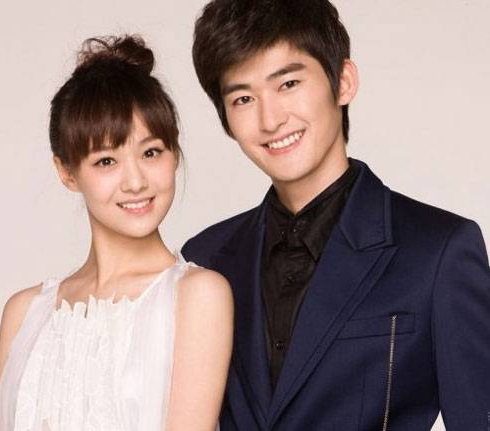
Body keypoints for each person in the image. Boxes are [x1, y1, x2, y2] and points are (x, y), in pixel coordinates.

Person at [182, 1, 490, 430]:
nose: (270, 119)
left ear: (343, 82)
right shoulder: (204, 259)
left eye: (288, 83)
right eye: (244, 98)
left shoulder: (439, 251)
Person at [0, 35, 233, 431]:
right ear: (67, 172)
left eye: (151, 152)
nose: (135, 181)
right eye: (106, 161)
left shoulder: (197, 295)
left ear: (174, 153)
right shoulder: (24, 313)